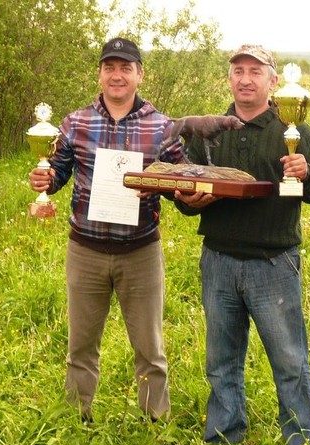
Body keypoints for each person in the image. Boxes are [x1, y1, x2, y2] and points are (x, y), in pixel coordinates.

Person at [174, 44, 310, 445]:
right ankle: (224, 438)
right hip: (219, 260)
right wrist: (186, 199)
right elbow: (186, 196)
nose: (245, 79)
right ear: (229, 78)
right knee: (220, 360)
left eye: (255, 71)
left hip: (273, 263)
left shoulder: (293, 129)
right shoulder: (209, 129)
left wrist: (306, 174)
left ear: (273, 81)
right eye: (238, 71)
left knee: (290, 361)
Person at [29, 37, 186, 422]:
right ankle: (75, 418)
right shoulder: (75, 123)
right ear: (99, 74)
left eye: (125, 68)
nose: (117, 75)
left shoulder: (162, 126)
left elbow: (180, 181)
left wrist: (169, 187)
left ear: (140, 75)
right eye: (109, 67)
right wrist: (44, 179)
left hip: (140, 252)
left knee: (150, 348)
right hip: (85, 251)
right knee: (81, 346)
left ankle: (154, 421)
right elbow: (59, 172)